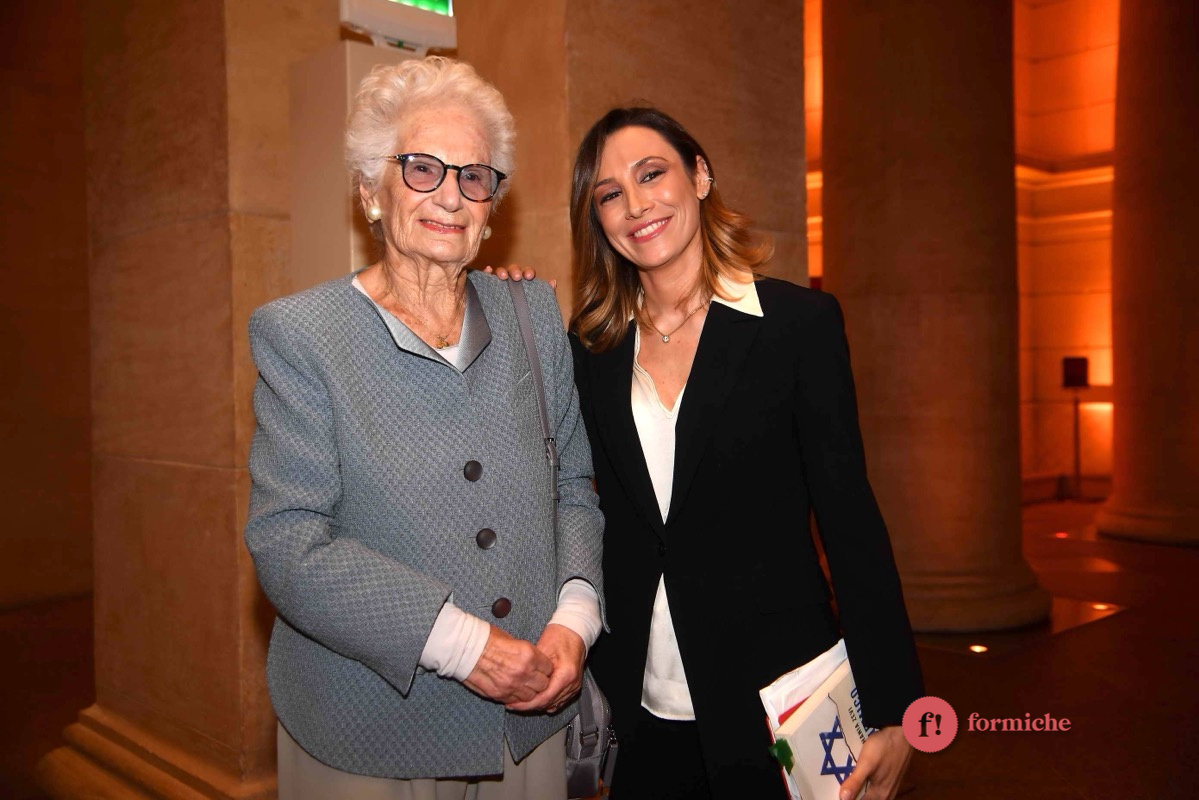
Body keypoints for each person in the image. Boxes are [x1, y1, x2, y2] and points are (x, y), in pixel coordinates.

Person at [244, 57, 604, 800]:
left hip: (528, 721)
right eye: (421, 169)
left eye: (474, 176)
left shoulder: (532, 315)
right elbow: (288, 545)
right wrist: (466, 646)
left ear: (491, 205)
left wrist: (576, 617)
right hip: (371, 729)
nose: (451, 195)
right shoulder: (301, 334)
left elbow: (573, 482)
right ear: (370, 192)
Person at [564, 107, 923, 800]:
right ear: (598, 220)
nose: (635, 205)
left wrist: (897, 708)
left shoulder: (797, 327)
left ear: (699, 176)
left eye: (652, 174)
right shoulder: (592, 350)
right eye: (609, 194)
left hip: (778, 698)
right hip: (638, 707)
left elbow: (851, 526)